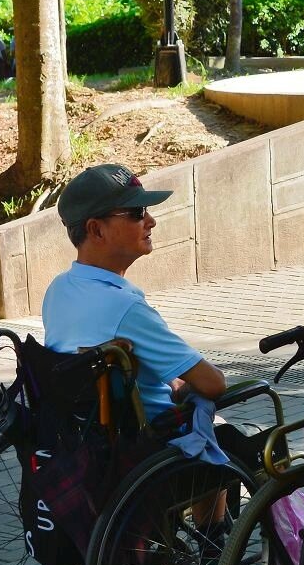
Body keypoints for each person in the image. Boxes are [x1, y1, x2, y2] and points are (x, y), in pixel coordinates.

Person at [42, 163, 258, 463]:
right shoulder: (124, 308)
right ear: (96, 229)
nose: (151, 221)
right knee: (232, 436)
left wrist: (173, 380)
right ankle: (216, 513)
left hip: (88, 441)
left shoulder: (58, 291)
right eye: (137, 212)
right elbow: (213, 383)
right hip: (149, 449)